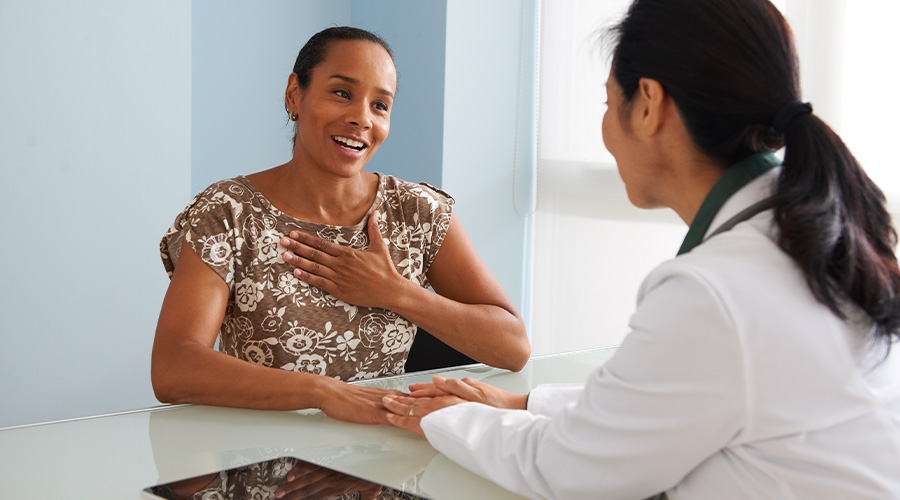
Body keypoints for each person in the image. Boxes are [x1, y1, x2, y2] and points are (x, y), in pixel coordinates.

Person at [381, 0, 900, 498]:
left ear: (649, 104)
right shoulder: (815, 235)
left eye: (609, 103)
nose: (605, 129)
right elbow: (668, 401)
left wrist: (446, 418)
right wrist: (522, 404)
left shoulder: (714, 289)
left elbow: (569, 470)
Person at [152, 26, 530, 426]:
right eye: (342, 93)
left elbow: (513, 348)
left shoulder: (418, 212)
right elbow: (174, 368)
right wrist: (323, 393)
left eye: (380, 105)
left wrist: (395, 292)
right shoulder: (228, 212)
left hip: (386, 457)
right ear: (295, 93)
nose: (361, 119)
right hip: (262, 464)